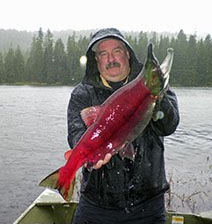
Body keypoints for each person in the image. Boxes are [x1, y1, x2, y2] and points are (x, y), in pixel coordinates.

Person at [67, 28, 180, 224]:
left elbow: (169, 126)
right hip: (96, 206)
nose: (111, 59)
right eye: (103, 54)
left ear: (128, 54)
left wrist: (156, 97)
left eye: (117, 51)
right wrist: (89, 153)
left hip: (148, 205)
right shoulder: (82, 94)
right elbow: (76, 134)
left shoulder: (154, 86)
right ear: (96, 61)